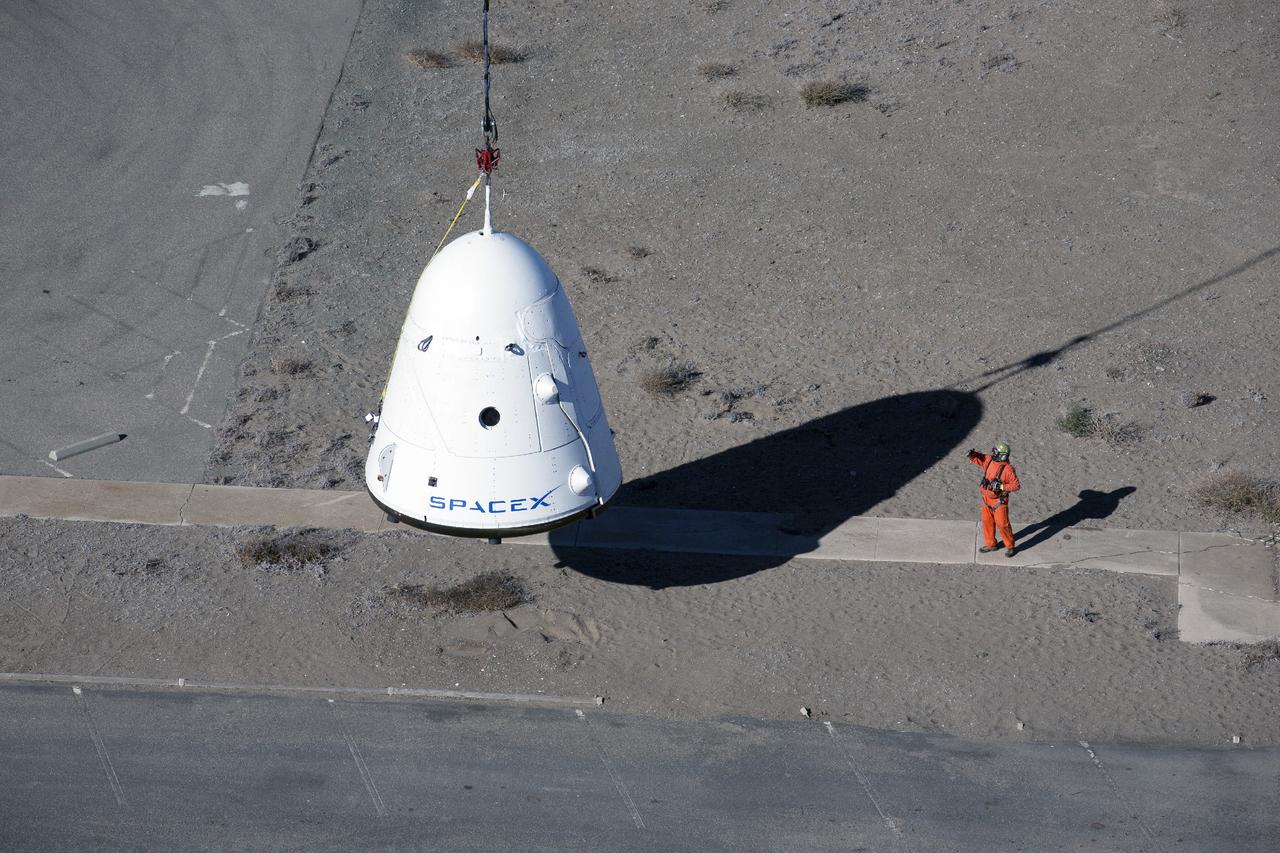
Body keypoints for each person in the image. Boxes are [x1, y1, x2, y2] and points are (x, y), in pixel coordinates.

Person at [967, 442, 1021, 557]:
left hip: (999, 502)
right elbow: (981, 459)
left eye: (995, 452)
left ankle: (1010, 546)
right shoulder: (990, 460)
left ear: (1002, 455)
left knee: (1003, 525)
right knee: (987, 522)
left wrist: (1001, 487)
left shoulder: (1008, 469)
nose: (993, 453)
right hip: (986, 500)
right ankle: (991, 544)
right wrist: (972, 455)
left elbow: (1016, 485)